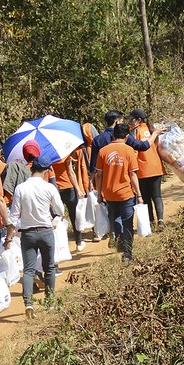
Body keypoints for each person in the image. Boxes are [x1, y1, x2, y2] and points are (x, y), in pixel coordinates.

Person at [4, 156, 64, 319]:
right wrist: (54, 220)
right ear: (46, 172)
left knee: (29, 270)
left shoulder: (21, 189)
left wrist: (9, 238)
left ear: (31, 170)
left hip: (27, 233)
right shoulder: (49, 188)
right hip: (45, 230)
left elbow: (14, 216)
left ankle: (28, 303)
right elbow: (59, 209)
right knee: (49, 267)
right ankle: (50, 301)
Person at [95, 122, 144, 266]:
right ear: (127, 136)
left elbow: (99, 175)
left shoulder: (103, 151)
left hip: (109, 193)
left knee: (115, 217)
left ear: (113, 134)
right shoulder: (129, 150)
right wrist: (139, 195)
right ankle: (127, 255)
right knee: (127, 223)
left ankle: (120, 237)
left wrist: (99, 193)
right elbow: (133, 175)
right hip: (126, 193)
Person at [127, 109, 166, 228]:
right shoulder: (154, 129)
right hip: (156, 167)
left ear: (138, 120)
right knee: (157, 195)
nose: (129, 122)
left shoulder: (133, 132)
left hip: (142, 169)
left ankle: (151, 222)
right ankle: (160, 220)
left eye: (131, 119)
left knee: (146, 197)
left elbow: (133, 151)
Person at [51, 147, 87, 251]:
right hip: (68, 188)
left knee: (57, 217)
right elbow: (71, 172)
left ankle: (60, 245)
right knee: (74, 215)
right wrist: (78, 189)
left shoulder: (47, 157)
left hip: (55, 190)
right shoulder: (64, 154)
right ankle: (79, 242)